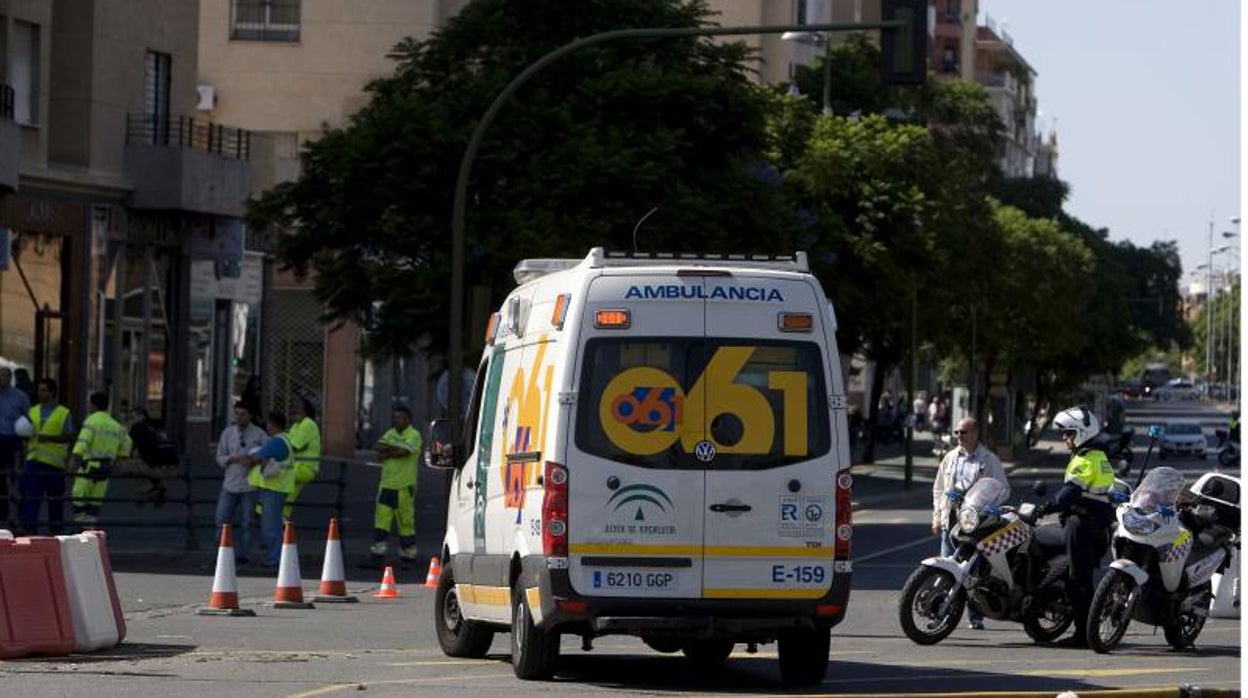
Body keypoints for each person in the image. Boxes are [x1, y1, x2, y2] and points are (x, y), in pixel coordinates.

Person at [1042, 405, 1116, 648]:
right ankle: (1085, 628)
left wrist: (1045, 508)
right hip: (1096, 526)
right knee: (1081, 577)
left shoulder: (1085, 460)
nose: (1064, 438)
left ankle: (1082, 635)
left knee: (1078, 580)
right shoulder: (1100, 457)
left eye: (1068, 433)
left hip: (1082, 525)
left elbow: (1070, 493)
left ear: (1081, 433)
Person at [931, 417, 1010, 630]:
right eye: (956, 432)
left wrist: (992, 505)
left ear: (975, 433)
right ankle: (942, 612)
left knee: (972, 571)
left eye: (963, 432)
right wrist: (937, 517)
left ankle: (975, 616)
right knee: (947, 567)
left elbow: (1003, 488)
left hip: (975, 522)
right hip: (951, 520)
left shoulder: (988, 459)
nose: (958, 436)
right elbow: (938, 488)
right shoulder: (950, 458)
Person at [229, 411, 293, 569]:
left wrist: (240, 459)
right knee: (275, 525)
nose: (267, 427)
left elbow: (255, 459)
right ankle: (277, 559)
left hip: (274, 488)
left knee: (271, 526)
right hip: (280, 487)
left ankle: (275, 560)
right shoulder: (285, 439)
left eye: (268, 424)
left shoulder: (276, 442)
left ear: (272, 425)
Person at [367, 405, 422, 568]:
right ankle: (377, 554)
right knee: (381, 520)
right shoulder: (390, 433)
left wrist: (388, 452)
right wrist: (395, 450)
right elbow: (377, 448)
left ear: (408, 420)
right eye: (395, 418)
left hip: (405, 486)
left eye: (401, 418)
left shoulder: (414, 435)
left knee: (406, 522)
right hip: (386, 485)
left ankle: (409, 556)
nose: (397, 421)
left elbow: (404, 452)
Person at [215, 402, 267, 566]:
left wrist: (254, 460)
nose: (239, 417)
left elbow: (267, 455)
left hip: (249, 485)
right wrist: (231, 458)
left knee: (247, 522)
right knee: (221, 519)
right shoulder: (228, 432)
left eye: (242, 414)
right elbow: (219, 457)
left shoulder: (259, 434)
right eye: (236, 414)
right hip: (230, 483)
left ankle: (245, 555)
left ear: (250, 415)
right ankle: (220, 554)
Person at [19, 378, 74, 534]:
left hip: (54, 465)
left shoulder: (63, 413)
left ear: (52, 392)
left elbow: (70, 436)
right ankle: (31, 534)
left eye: (43, 390)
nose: (40, 393)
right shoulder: (32, 410)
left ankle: (55, 535)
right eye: (39, 390)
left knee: (55, 504)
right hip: (33, 462)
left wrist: (49, 438)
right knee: (31, 502)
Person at [69, 391, 132, 524]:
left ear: (92, 405)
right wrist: (120, 459)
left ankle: (81, 522)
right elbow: (127, 442)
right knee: (96, 497)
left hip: (90, 465)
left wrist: (74, 459)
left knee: (79, 493)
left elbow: (83, 442)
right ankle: (91, 524)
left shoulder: (91, 422)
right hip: (106, 466)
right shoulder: (115, 425)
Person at [122, 407, 181, 506]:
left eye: (132, 417)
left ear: (141, 416)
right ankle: (159, 487)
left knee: (124, 466)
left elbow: (129, 449)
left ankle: (148, 489)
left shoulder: (137, 427)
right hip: (174, 468)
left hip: (157, 468)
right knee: (146, 460)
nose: (131, 421)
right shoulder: (159, 424)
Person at [0, 366, 31, 523]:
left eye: (5, 376)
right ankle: (3, 515)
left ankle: (16, 516)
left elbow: (28, 418)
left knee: (16, 479)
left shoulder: (20, 397)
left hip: (14, 440)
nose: (2, 379)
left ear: (10, 377)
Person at [283, 397, 322, 518]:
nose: (293, 410)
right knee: (289, 494)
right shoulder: (296, 425)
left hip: (305, 467)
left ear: (305, 411)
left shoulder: (308, 424)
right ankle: (283, 519)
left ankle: (262, 510)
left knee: (277, 478)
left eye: (297, 407)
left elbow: (295, 446)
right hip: (297, 467)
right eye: (293, 407)